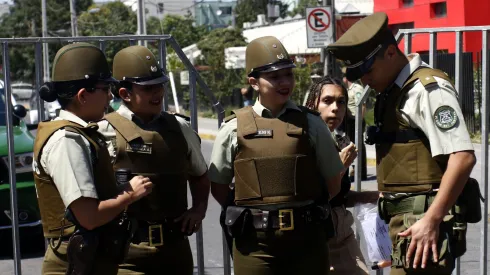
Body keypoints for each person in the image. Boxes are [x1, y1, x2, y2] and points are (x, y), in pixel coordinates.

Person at [327, 12, 476, 274]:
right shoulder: (394, 90)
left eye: (368, 70)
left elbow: (462, 156)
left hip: (422, 226)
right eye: (358, 74)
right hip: (405, 224)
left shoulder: (428, 89)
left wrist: (432, 220)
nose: (365, 80)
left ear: (391, 53)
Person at [208, 36, 344, 275]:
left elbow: (332, 181)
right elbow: (219, 186)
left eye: (288, 74)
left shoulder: (311, 124)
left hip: (306, 241)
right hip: (255, 246)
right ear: (254, 82)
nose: (284, 82)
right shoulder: (233, 127)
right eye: (274, 77)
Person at [32, 43, 153, 274]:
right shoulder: (67, 141)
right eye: (105, 88)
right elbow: (89, 216)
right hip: (75, 265)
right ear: (83, 95)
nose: (110, 96)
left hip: (89, 260)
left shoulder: (82, 134)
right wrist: (129, 193)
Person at [97, 45, 211, 275]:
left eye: (159, 85)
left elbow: (200, 174)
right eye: (148, 88)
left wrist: (198, 210)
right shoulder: (103, 132)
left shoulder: (180, 128)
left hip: (174, 250)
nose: (158, 92)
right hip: (124, 252)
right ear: (124, 94)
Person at [305, 76, 379, 274]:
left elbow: (339, 196)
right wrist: (340, 166)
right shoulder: (303, 142)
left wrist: (371, 196)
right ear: (313, 104)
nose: (335, 108)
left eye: (341, 102)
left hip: (342, 233)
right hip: (315, 237)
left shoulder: (339, 138)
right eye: (327, 101)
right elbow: (316, 197)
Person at [342, 73, 368, 181]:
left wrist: (360, 121)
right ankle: (353, 170)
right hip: (349, 121)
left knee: (359, 145)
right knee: (350, 144)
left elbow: (362, 104)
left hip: (356, 120)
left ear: (346, 78)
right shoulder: (347, 89)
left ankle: (361, 173)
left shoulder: (357, 88)